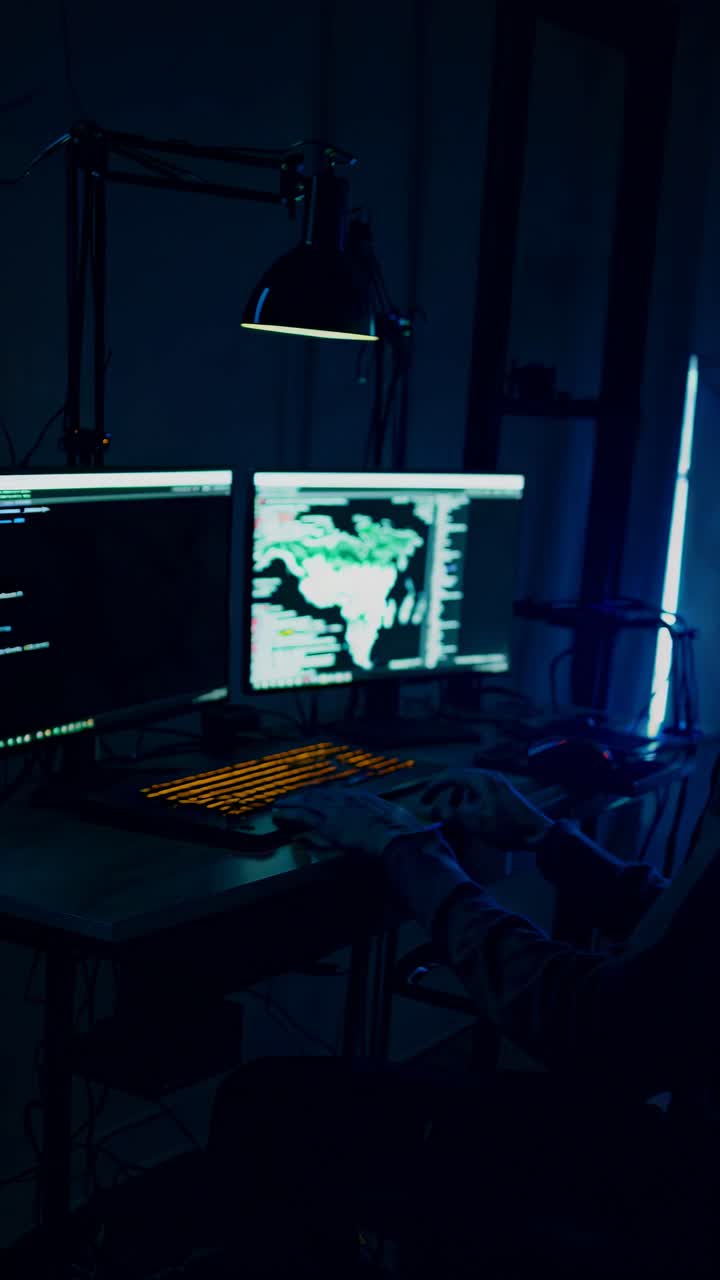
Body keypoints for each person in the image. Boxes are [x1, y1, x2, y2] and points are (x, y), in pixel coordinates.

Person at [206, 763, 720, 1279]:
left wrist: (406, 849)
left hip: (683, 1195)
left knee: (267, 1103)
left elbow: (588, 1023)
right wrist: (546, 838)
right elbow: (686, 944)